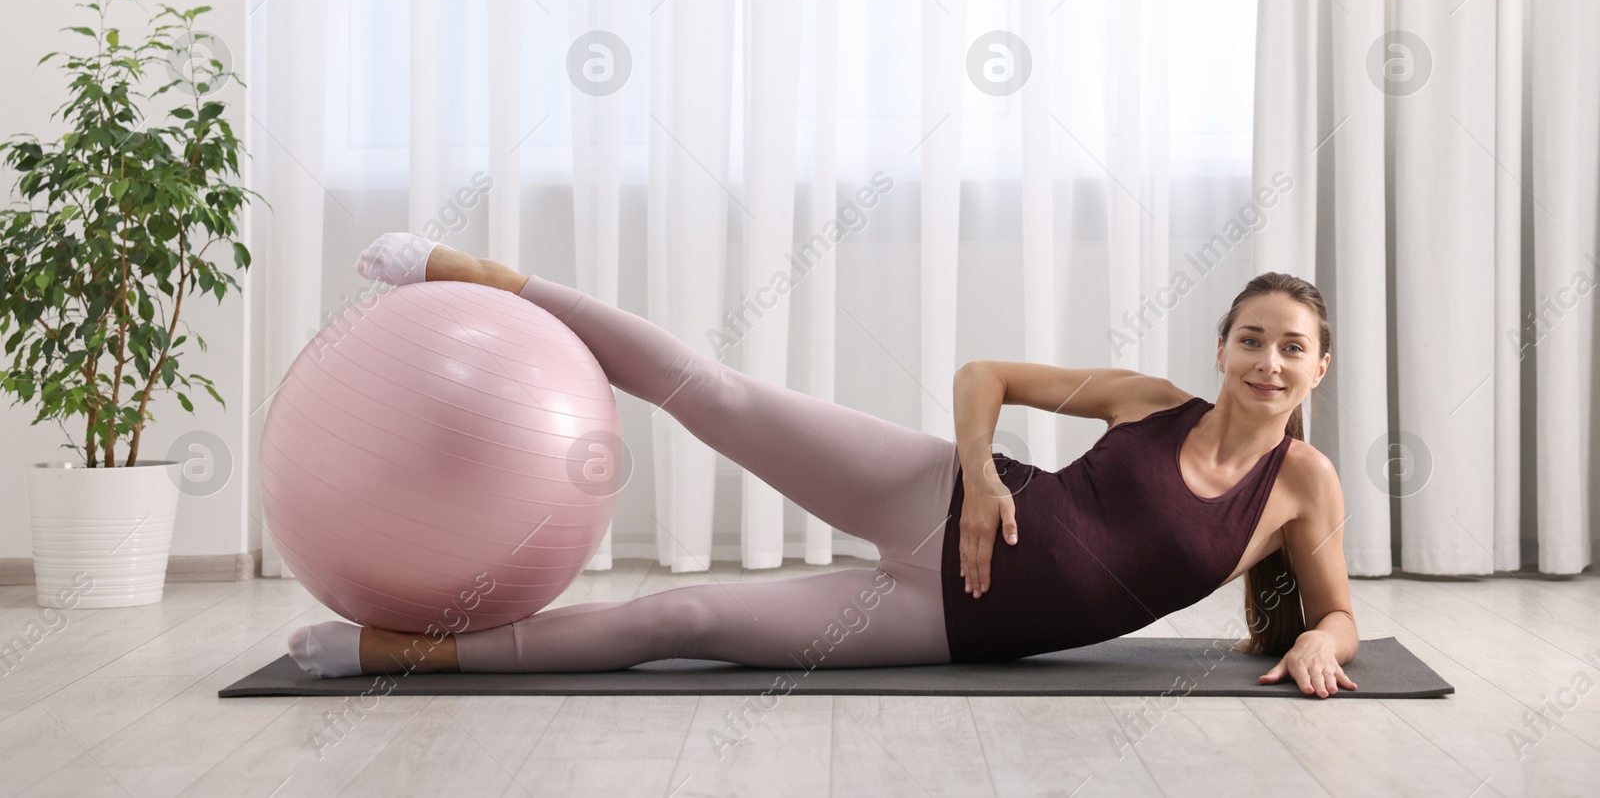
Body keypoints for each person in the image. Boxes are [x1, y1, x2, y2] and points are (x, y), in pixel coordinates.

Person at [286, 233, 1358, 698]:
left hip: (949, 624)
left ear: (1320, 367)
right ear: (1220, 347)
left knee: (684, 621)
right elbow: (984, 372)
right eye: (1251, 337)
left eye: (1291, 345)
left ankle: (398, 652)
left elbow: (1340, 611)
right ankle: (483, 275)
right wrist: (984, 475)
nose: (1269, 360)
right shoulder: (1146, 399)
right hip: (934, 492)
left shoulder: (1302, 486)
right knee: (721, 394)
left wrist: (1319, 638)